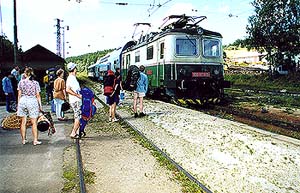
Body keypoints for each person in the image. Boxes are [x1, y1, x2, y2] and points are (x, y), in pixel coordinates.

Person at [17, 67, 42, 145]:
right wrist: (40, 106)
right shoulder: (35, 83)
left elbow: (19, 95)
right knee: (34, 122)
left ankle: (24, 140)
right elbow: (38, 95)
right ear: (32, 73)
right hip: (32, 101)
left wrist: (18, 105)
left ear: (25, 74)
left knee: (23, 122)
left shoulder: (21, 82)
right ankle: (35, 140)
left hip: (23, 101)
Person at [66, 62, 82, 138]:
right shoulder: (71, 78)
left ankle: (77, 132)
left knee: (78, 116)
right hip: (75, 100)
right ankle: (73, 132)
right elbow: (68, 90)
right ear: (74, 69)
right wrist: (77, 95)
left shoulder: (72, 78)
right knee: (78, 117)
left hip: (76, 100)